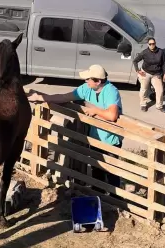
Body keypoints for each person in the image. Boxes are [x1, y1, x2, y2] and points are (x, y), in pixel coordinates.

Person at [27, 64, 123, 198]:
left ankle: (115, 199)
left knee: (111, 171)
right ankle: (98, 197)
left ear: (98, 81)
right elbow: (64, 97)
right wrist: (40, 98)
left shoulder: (111, 91)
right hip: (95, 137)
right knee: (96, 168)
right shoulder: (86, 88)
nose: (86, 81)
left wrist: (95, 111)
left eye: (88, 79)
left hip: (110, 139)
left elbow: (112, 116)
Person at [133, 37, 165, 113]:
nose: (152, 45)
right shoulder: (144, 52)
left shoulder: (161, 52)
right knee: (144, 89)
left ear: (155, 43)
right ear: (148, 44)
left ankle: (159, 106)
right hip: (146, 72)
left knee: (160, 90)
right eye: (150, 44)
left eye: (153, 44)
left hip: (156, 73)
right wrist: (138, 70)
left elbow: (164, 63)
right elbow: (135, 61)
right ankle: (143, 104)